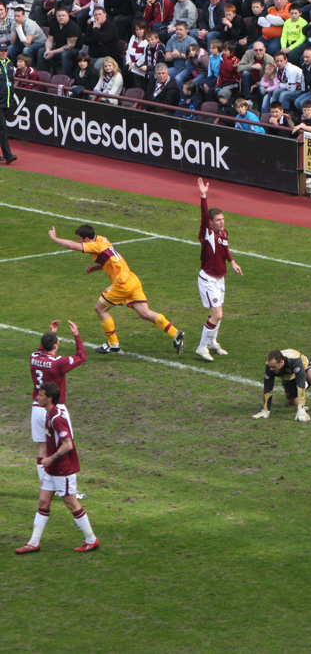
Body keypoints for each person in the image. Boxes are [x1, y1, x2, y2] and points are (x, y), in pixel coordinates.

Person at [47, 224, 185, 355]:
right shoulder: (101, 239)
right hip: (132, 279)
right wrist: (95, 268)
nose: (78, 241)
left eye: (80, 239)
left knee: (100, 309)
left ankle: (113, 343)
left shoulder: (95, 245)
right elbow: (108, 259)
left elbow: (72, 245)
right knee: (145, 313)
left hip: (122, 284)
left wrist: (54, 238)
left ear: (87, 239)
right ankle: (175, 333)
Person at [14, 382, 100, 554]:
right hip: (52, 469)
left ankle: (91, 540)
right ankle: (33, 542)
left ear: (50, 398)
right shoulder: (49, 413)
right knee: (43, 501)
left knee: (71, 503)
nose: (37, 397)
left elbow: (68, 445)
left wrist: (50, 459)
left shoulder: (57, 418)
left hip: (62, 469)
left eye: (41, 395)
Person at [29, 320, 86, 485]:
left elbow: (42, 350)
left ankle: (46, 486)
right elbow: (81, 357)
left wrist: (51, 333)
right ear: (55, 346)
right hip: (55, 409)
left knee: (42, 447)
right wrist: (76, 335)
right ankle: (70, 489)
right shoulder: (58, 363)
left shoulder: (34, 357)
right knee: (65, 445)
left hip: (37, 408)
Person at [192, 178, 244, 362]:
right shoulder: (207, 234)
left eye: (223, 219)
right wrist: (203, 196)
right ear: (210, 222)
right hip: (208, 279)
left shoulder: (223, 233)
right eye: (218, 220)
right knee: (217, 314)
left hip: (220, 278)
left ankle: (212, 342)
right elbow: (203, 215)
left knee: (217, 314)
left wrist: (232, 262)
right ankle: (201, 347)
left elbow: (225, 249)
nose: (222, 223)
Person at [253, 348, 311, 421]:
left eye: (273, 366)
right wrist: (266, 410)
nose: (271, 369)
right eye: (270, 366)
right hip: (289, 377)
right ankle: (302, 384)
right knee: (294, 403)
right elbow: (268, 388)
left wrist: (301, 408)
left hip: (303, 369)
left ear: (281, 362)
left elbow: (300, 384)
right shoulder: (269, 367)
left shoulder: (294, 360)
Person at [0, 42, 14, 164]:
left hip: (6, 101)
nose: (3, 53)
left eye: (5, 51)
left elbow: (11, 82)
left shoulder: (9, 64)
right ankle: (8, 155)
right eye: (1, 51)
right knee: (3, 129)